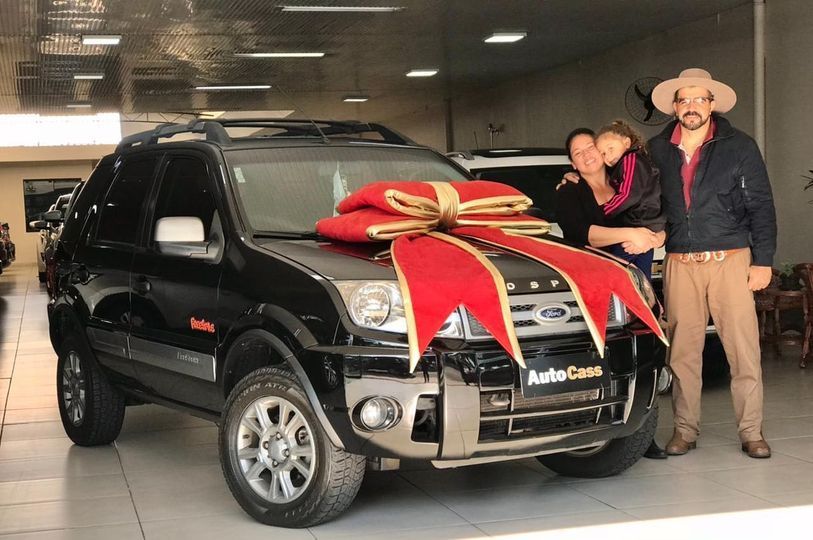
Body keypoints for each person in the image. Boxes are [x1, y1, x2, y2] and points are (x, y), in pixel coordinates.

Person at [649, 68, 777, 458]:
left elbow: (761, 204)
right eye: (684, 100)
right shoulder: (656, 149)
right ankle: (684, 431)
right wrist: (579, 179)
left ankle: (751, 431)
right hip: (680, 260)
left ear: (712, 104)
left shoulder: (739, 146)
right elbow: (633, 192)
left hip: (731, 259)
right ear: (675, 107)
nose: (691, 106)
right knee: (682, 353)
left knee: (743, 349)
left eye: (699, 99)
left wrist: (763, 261)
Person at [557, 128, 668, 459]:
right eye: (577, 153)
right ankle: (591, 433)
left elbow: (658, 215)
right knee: (600, 359)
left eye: (590, 147)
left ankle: (643, 435)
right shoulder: (570, 191)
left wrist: (655, 238)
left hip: (636, 286)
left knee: (642, 355)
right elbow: (583, 234)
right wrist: (631, 233)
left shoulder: (626, 180)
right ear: (572, 163)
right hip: (597, 291)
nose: (586, 154)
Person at [594, 120, 667, 279]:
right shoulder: (631, 161)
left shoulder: (631, 159)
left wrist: (602, 212)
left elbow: (628, 195)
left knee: (613, 272)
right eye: (603, 154)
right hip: (647, 226)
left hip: (638, 223)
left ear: (627, 143)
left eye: (611, 148)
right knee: (641, 278)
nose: (608, 156)